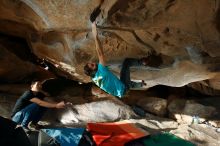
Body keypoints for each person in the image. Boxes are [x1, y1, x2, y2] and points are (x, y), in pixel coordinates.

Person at [84, 22, 148, 98]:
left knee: (126, 81)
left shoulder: (94, 78)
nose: (93, 63)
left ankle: (141, 84)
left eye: (91, 63)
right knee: (127, 63)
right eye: (92, 65)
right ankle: (142, 62)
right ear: (93, 70)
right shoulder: (101, 71)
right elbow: (100, 53)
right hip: (123, 88)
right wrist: (95, 36)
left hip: (121, 92)